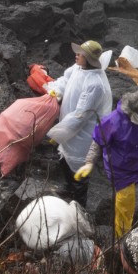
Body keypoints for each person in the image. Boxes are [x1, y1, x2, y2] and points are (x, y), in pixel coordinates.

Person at [74, 90, 138, 238]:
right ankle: (122, 236)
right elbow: (97, 143)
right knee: (125, 202)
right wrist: (89, 163)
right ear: (131, 113)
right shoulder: (111, 122)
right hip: (122, 167)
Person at [45, 40, 113, 205]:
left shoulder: (95, 84)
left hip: (84, 134)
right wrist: (56, 90)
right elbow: (65, 79)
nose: (76, 55)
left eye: (80, 54)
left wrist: (57, 134)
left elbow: (80, 116)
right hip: (69, 127)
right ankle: (69, 191)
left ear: (89, 59)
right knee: (64, 160)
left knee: (79, 170)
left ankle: (79, 206)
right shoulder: (78, 68)